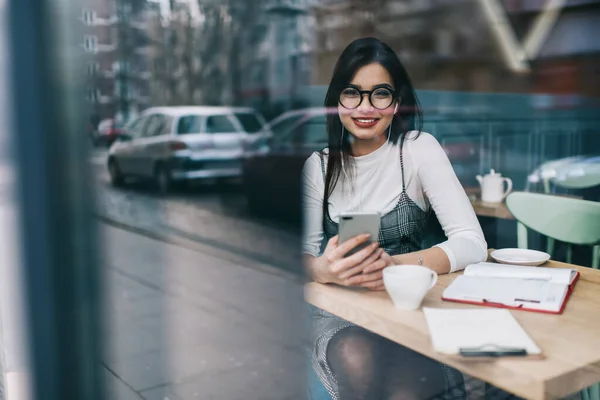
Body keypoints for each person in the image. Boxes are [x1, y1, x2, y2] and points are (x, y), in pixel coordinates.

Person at [302, 37, 488, 400]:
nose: (365, 107)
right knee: (359, 359)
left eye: (380, 93)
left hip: (411, 309)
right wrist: (324, 269)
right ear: (337, 100)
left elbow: (472, 242)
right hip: (344, 315)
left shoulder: (418, 149)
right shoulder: (319, 167)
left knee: (409, 390)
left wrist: (392, 266)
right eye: (352, 93)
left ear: (396, 101)